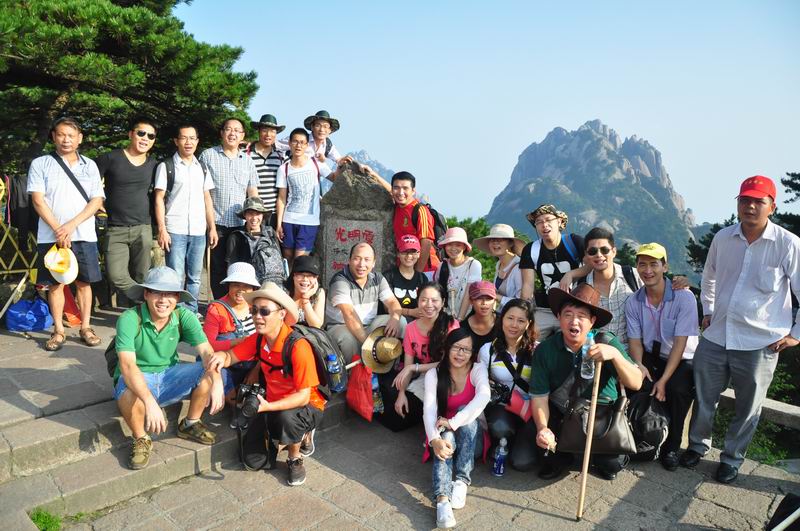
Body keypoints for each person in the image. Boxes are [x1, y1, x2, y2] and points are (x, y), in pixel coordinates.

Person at [680, 175, 800, 484]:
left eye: (758, 201)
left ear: (772, 206)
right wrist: (708, 310)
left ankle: (732, 459)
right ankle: (697, 446)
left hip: (761, 342)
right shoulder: (723, 238)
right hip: (717, 334)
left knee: (748, 408)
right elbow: (709, 277)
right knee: (704, 397)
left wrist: (796, 334)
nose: (750, 206)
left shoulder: (788, 243)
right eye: (745, 200)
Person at [208, 282, 325, 486]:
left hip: (306, 405)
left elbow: (303, 396)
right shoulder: (258, 339)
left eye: (264, 311)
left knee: (287, 418)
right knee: (252, 461)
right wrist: (219, 363)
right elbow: (230, 356)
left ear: (281, 314)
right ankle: (283, 437)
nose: (257, 316)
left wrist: (268, 407)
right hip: (271, 400)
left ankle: (295, 457)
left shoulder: (298, 346)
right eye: (254, 310)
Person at [113, 266, 224, 470]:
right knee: (127, 389)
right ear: (146, 294)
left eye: (170, 294)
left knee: (209, 371)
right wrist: (149, 401)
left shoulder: (184, 316)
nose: (163, 300)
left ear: (177, 297)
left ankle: (190, 423)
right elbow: (127, 366)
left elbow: (207, 351)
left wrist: (217, 381)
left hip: (169, 375)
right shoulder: (129, 318)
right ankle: (141, 438)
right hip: (139, 376)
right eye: (157, 292)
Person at [531, 284, 643, 480]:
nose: (574, 321)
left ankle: (588, 452)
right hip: (563, 413)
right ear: (558, 317)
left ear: (592, 321)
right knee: (544, 455)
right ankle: (567, 453)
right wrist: (542, 428)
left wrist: (615, 355)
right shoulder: (546, 349)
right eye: (568, 314)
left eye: (581, 316)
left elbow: (636, 383)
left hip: (600, 414)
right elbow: (539, 396)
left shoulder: (606, 342)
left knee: (612, 465)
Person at [28, 117, 105, 351]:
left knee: (84, 282)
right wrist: (58, 230)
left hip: (84, 234)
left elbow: (97, 200)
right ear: (53, 136)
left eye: (71, 135)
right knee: (55, 284)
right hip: (51, 236)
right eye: (61, 134)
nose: (66, 139)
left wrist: (70, 226)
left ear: (80, 138)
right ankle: (59, 331)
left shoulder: (90, 165)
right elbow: (38, 200)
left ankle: (86, 327)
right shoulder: (40, 163)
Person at [625, 243, 699, 471]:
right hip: (650, 355)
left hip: (682, 358)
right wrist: (638, 365)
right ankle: (639, 436)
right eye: (642, 265)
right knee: (635, 381)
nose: (648, 270)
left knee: (677, 390)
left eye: (654, 264)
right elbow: (635, 341)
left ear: (664, 267)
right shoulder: (634, 301)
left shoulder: (683, 297)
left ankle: (672, 447)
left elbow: (680, 344)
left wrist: (664, 380)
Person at [423, 328, 490, 529]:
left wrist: (453, 422)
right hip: (444, 440)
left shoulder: (477, 370)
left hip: (473, 441)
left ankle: (461, 481)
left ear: (472, 353)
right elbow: (429, 410)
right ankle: (442, 501)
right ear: (446, 348)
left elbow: (484, 396)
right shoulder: (434, 374)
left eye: (466, 350)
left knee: (464, 413)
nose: (460, 354)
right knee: (447, 438)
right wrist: (434, 439)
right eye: (456, 347)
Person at [154, 124, 218, 314]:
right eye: (184, 138)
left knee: (195, 277)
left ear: (197, 141)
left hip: (198, 230)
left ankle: (190, 311)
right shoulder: (166, 166)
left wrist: (212, 227)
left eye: (192, 138)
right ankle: (174, 312)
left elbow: (207, 198)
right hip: (175, 228)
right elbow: (158, 198)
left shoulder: (202, 168)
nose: (188, 142)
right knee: (175, 276)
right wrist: (162, 229)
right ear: (176, 141)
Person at [95, 117, 159, 303]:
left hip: (143, 228)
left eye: (151, 136)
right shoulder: (110, 158)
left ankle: (141, 312)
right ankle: (150, 298)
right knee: (116, 275)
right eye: (141, 133)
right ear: (131, 134)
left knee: (142, 276)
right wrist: (97, 204)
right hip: (115, 228)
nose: (145, 138)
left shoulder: (155, 165)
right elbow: (88, 182)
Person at [379, 283, 458, 432]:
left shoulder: (451, 325)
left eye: (434, 300)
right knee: (397, 416)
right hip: (424, 377)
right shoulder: (411, 328)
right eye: (424, 300)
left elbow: (449, 363)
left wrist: (414, 367)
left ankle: (437, 426)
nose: (429, 305)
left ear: (443, 302)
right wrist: (401, 393)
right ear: (418, 301)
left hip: (447, 377)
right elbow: (407, 365)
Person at [199, 117, 259, 298]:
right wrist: (209, 226)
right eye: (228, 129)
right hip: (216, 222)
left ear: (242, 135)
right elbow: (202, 192)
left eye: (237, 130)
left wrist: (255, 220)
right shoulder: (208, 156)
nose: (232, 133)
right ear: (222, 132)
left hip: (240, 225)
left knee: (238, 268)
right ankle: (219, 304)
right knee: (217, 267)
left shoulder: (247, 161)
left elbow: (252, 192)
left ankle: (236, 305)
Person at [479, 298, 538, 471]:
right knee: (500, 428)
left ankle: (519, 441)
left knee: (522, 463)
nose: (514, 325)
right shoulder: (488, 350)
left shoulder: (537, 350)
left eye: (521, 320)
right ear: (502, 319)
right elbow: (480, 384)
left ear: (528, 324)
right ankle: (503, 440)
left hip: (529, 409)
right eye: (510, 318)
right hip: (502, 407)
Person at [275, 128, 348, 264]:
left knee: (300, 259)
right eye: (295, 142)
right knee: (287, 257)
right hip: (288, 219)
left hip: (309, 222)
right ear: (289, 143)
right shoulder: (284, 168)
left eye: (302, 142)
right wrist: (279, 224)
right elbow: (281, 198)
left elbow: (334, 178)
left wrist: (340, 165)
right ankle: (287, 279)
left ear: (307, 145)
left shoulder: (316, 163)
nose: (298, 145)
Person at [325, 242, 407, 362]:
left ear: (373, 263)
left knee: (401, 321)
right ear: (349, 260)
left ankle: (395, 363)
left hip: (369, 325)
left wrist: (395, 318)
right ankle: (355, 371)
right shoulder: (340, 281)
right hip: (341, 326)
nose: (362, 264)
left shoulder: (377, 278)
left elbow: (392, 302)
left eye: (367, 259)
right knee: (348, 339)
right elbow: (349, 314)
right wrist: (370, 345)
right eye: (357, 259)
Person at [203, 262, 260, 421]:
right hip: (225, 363)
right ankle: (236, 406)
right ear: (229, 285)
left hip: (253, 363)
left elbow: (267, 343)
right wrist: (239, 341)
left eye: (246, 286)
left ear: (253, 289)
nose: (241, 290)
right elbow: (207, 345)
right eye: (236, 285)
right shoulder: (216, 309)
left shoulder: (258, 308)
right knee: (215, 367)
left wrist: (256, 370)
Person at [520, 204, 585, 338]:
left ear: (559, 222)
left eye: (549, 220)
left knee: (572, 342)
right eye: (539, 222)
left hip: (574, 307)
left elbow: (591, 265)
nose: (544, 225)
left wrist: (571, 274)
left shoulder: (574, 241)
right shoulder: (531, 249)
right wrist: (523, 311)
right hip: (545, 309)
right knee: (527, 338)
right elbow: (528, 284)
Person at [225, 196, 286, 285]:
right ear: (245, 215)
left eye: (258, 214)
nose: (254, 218)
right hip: (248, 282)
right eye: (250, 214)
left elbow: (279, 258)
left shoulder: (270, 232)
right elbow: (231, 266)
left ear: (262, 215)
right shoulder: (236, 236)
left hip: (273, 281)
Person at [391, 171, 440, 275]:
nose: (400, 192)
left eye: (405, 188)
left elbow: (426, 243)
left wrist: (417, 274)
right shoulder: (398, 207)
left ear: (413, 191)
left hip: (426, 271)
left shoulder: (420, 210)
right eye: (396, 188)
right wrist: (373, 174)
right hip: (405, 268)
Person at [472, 223, 525, 311]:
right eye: (492, 240)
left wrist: (496, 296)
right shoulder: (499, 264)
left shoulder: (519, 267)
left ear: (510, 243)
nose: (495, 243)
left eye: (500, 240)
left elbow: (522, 302)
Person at [434, 227, 482, 320]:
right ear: (445, 246)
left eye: (458, 245)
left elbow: (468, 294)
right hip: (445, 317)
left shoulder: (473, 265)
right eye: (449, 244)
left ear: (464, 247)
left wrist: (460, 319)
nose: (453, 248)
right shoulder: (442, 266)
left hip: (468, 318)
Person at [247, 114, 286, 226]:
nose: (268, 134)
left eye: (273, 131)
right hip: (253, 215)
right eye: (265, 130)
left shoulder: (280, 157)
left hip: (274, 215)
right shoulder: (246, 155)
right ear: (258, 131)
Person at [381, 234, 429, 321]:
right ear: (398, 254)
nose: (409, 256)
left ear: (418, 254)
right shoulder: (388, 276)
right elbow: (386, 307)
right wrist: (410, 312)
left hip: (417, 323)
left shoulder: (422, 278)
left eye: (413, 252)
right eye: (404, 251)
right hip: (393, 320)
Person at [286, 255, 325, 328]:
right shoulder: (284, 291)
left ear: (316, 278)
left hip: (310, 333)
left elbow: (316, 326)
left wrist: (305, 299)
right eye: (301, 275)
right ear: (294, 276)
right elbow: (287, 322)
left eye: (310, 276)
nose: (305, 279)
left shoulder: (319, 292)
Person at [460, 281, 497, 354]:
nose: (484, 303)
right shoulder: (463, 327)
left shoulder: (503, 323)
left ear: (494, 301)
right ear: (471, 301)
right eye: (479, 298)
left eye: (489, 298)